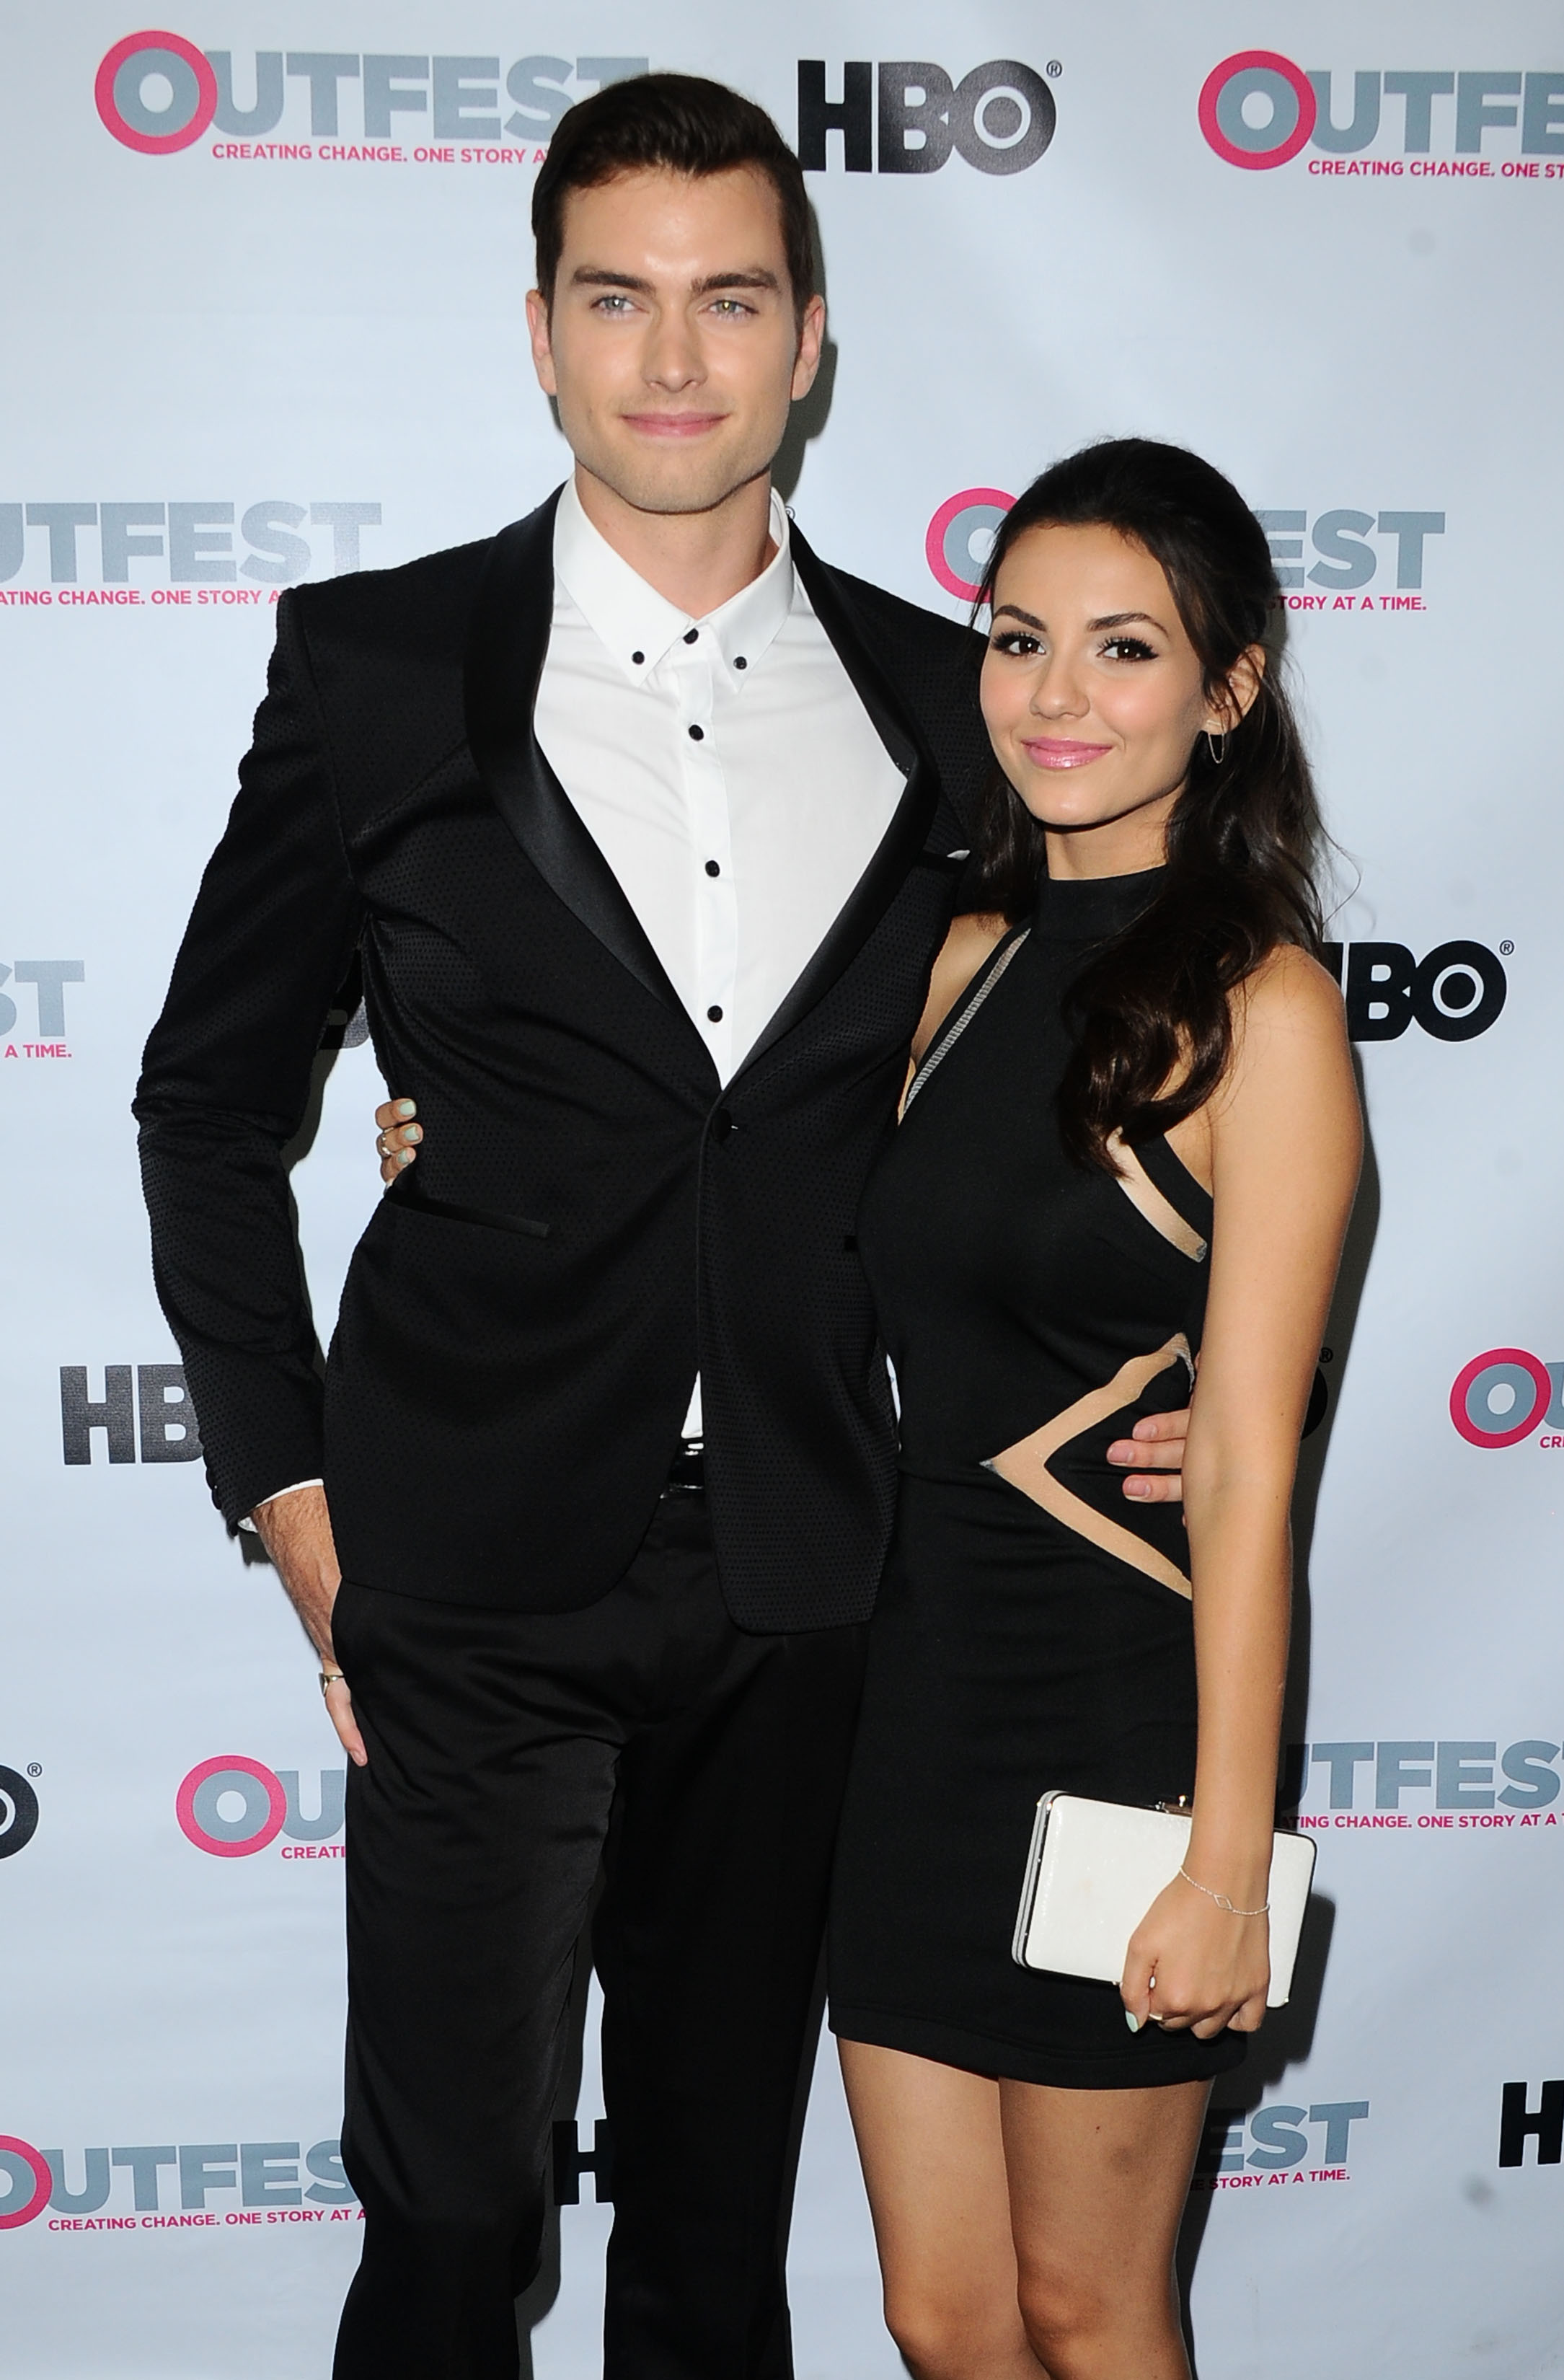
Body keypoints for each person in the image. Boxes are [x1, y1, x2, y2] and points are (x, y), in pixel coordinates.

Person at [133, 76, 1188, 2380]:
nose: (676, 358)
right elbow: (206, 1103)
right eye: (618, 299)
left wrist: (1191, 1388)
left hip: (808, 1568)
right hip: (465, 1562)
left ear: (810, 338)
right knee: (450, 2221)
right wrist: (290, 1492)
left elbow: (1081, 1080)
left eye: (730, 299)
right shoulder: (375, 667)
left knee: (714, 2240)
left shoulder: (950, 702)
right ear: (540, 332)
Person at [820, 438, 1362, 2380]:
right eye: (1017, 637)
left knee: (1090, 2310)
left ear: (1226, 689)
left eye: (1124, 648)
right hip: (902, 1717)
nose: (1055, 694)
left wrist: (1226, 1858)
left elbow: (1243, 1465)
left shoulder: (1260, 1008)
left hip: (1115, 1721)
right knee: (945, 2317)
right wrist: (457, 1138)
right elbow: (732, 1185)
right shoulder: (947, 962)